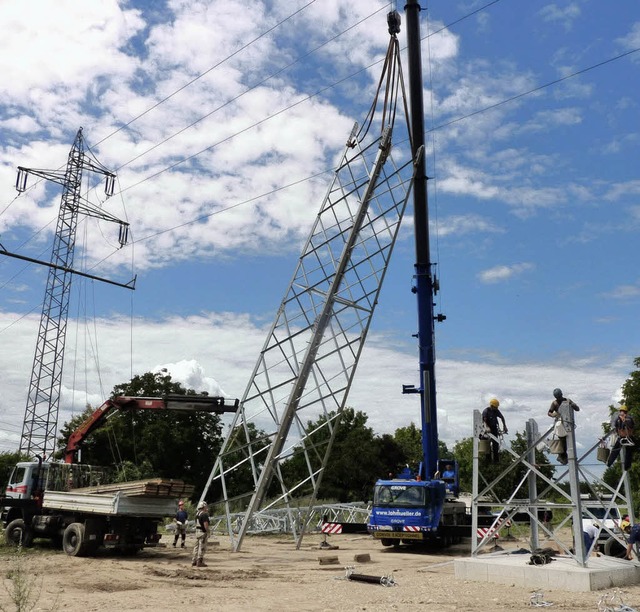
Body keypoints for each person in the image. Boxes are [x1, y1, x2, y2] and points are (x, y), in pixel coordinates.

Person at [548, 388, 579, 465]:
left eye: (559, 396)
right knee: (562, 440)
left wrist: (573, 405)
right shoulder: (554, 403)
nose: (558, 398)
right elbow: (549, 412)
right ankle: (562, 456)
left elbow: (577, 409)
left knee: (568, 441)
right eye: (557, 397)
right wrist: (553, 415)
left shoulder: (567, 400)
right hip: (560, 424)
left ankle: (564, 456)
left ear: (561, 394)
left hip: (568, 424)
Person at [606, 405, 635, 471]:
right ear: (626, 412)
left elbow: (616, 427)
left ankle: (609, 463)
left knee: (615, 450)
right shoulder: (630, 418)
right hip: (629, 438)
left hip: (621, 437)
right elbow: (633, 427)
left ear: (620, 411)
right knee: (629, 452)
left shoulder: (618, 419)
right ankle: (627, 467)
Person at [482, 398, 508, 463]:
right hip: (486, 429)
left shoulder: (496, 411)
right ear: (492, 406)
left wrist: (504, 426)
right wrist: (487, 427)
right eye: (496, 407)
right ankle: (488, 460)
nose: (497, 408)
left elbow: (502, 417)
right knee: (487, 444)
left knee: (495, 444)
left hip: (494, 428)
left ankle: (496, 460)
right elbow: (484, 420)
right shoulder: (486, 411)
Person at [192, 500, 210, 567]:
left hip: (197, 532)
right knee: (202, 547)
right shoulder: (204, 514)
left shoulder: (197, 514)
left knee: (196, 547)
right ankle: (199, 561)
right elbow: (206, 525)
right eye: (205, 506)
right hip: (202, 533)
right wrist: (208, 532)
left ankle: (193, 561)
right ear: (203, 506)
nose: (206, 507)